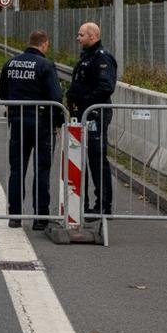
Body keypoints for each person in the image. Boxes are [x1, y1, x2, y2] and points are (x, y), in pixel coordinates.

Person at [0, 30, 65, 230]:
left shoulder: (11, 63)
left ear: (30, 42)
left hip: (17, 121)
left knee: (17, 169)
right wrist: (58, 121)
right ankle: (40, 218)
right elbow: (56, 97)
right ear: (44, 44)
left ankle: (15, 216)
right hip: (41, 123)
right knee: (41, 170)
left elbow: (2, 92)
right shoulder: (45, 65)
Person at [66, 22, 118, 217]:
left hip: (95, 115)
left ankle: (103, 206)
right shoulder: (86, 56)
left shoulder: (101, 57)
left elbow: (106, 87)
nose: (78, 38)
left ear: (92, 36)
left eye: (81, 35)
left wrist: (86, 102)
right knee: (78, 158)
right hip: (81, 114)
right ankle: (82, 204)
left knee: (97, 160)